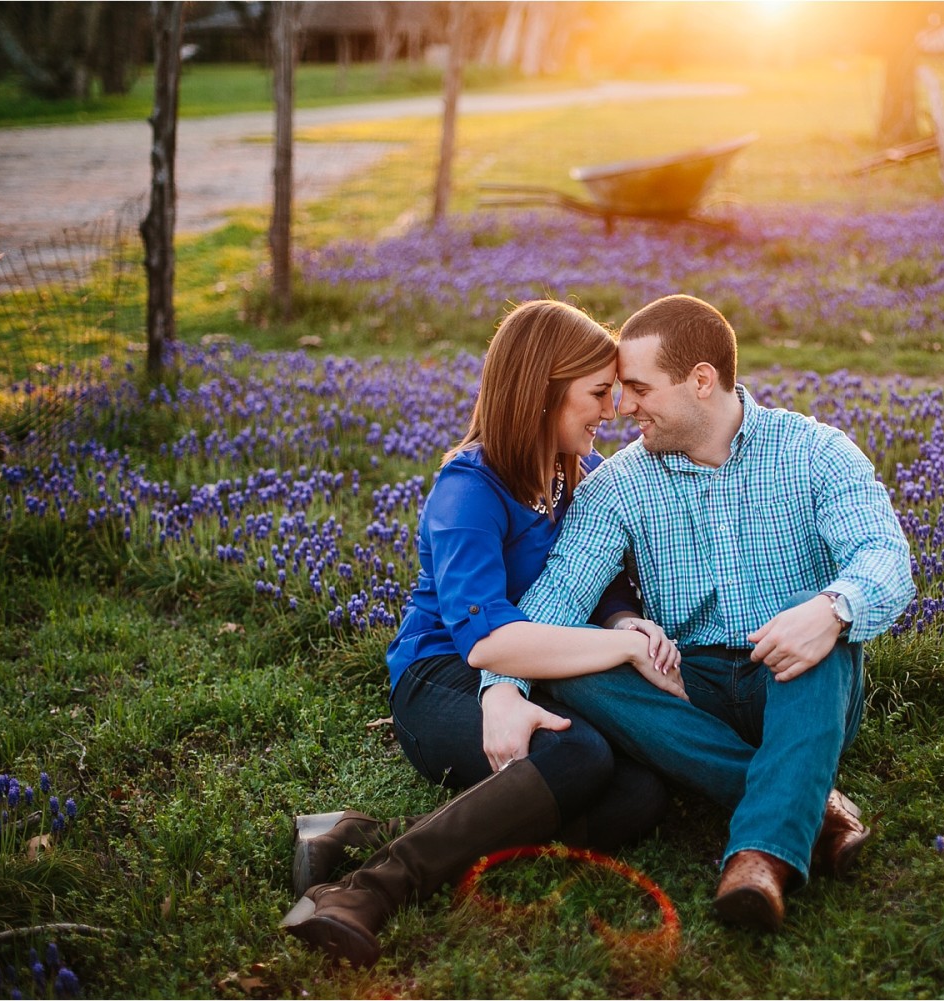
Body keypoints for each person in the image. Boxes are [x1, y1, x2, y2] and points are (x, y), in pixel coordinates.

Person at [477, 293, 915, 933]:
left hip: (796, 681)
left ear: (701, 381)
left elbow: (884, 555)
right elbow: (557, 601)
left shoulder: (815, 451)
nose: (622, 407)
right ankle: (808, 804)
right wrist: (503, 688)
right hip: (688, 686)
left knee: (825, 628)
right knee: (575, 666)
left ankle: (760, 857)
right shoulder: (618, 485)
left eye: (637, 388)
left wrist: (831, 610)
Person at [280, 300, 684, 968]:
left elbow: (592, 572)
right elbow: (485, 640)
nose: (610, 409)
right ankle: (367, 888)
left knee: (641, 793)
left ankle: (357, 833)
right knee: (579, 754)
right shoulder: (468, 488)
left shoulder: (567, 471)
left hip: (537, 669)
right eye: (597, 393)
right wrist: (619, 647)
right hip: (441, 681)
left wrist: (619, 616)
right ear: (543, 388)